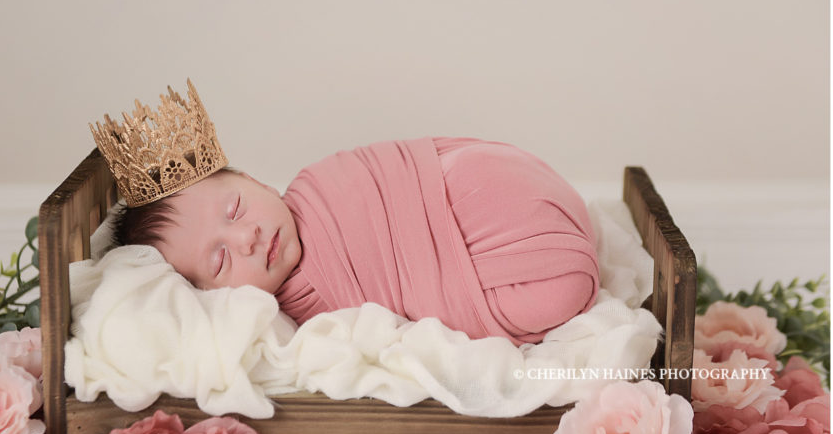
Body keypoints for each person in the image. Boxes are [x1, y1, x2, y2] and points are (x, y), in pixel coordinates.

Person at [112, 136, 601, 347]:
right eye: (219, 261)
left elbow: (412, 166)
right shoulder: (299, 311)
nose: (246, 237)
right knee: (558, 290)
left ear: (255, 180)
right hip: (486, 269)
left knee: (479, 170)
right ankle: (545, 243)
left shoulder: (319, 181)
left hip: (468, 189)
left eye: (236, 208)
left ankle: (539, 218)